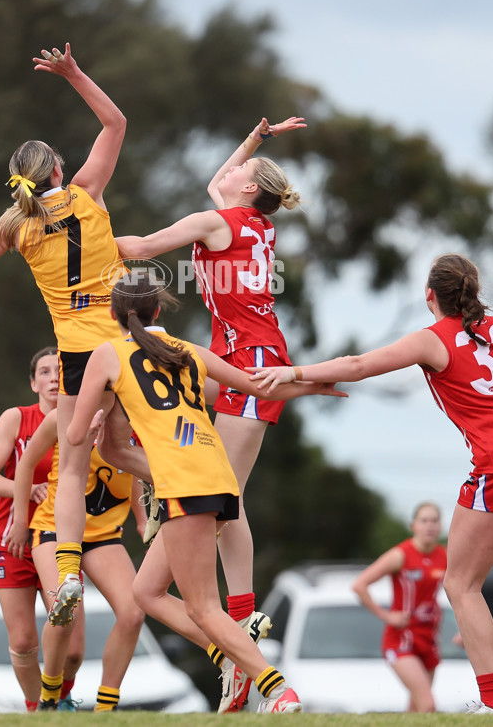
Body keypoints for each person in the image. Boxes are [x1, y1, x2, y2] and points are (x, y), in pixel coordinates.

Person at [65, 272, 346, 714]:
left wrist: (98, 420)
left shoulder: (108, 354)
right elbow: (256, 385)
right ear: (158, 310)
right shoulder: (188, 350)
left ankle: (275, 691)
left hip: (184, 481)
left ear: (113, 314)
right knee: (147, 592)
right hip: (216, 473)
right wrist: (313, 385)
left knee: (204, 608)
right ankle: (232, 659)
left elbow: (77, 434)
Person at [0, 42, 128, 621]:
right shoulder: (86, 193)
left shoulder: (16, 225)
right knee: (131, 437)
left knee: (74, 459)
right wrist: (73, 73)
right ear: (59, 170)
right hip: (125, 337)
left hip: (79, 352)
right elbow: (116, 122)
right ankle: (169, 490)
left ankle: (66, 570)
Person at [113, 115, 305, 711]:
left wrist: (80, 226)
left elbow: (139, 249)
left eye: (242, 170)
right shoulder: (256, 223)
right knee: (201, 480)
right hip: (243, 362)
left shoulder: (215, 221)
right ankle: (233, 641)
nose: (231, 171)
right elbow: (222, 178)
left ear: (247, 188)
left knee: (224, 492)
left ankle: (243, 622)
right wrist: (256, 141)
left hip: (249, 366)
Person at [249, 251, 493, 715]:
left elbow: (360, 366)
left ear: (429, 296)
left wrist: (296, 372)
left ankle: (492, 702)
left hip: (491, 468)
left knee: (462, 585)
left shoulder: (433, 339)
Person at [7, 408, 145, 712]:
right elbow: (26, 463)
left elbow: (133, 469)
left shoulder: (139, 412)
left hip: (104, 534)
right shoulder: (64, 415)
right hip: (54, 529)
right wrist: (19, 521)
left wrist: (141, 517)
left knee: (134, 612)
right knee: (64, 605)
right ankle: (49, 695)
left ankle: (106, 707)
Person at [0, 345, 81, 712]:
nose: (54, 378)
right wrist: (27, 492)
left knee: (75, 650)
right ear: (33, 382)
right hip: (13, 537)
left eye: (60, 371)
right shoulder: (16, 418)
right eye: (46, 372)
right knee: (22, 641)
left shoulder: (82, 420)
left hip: (59, 536)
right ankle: (39, 711)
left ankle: (61, 697)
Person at [351, 502, 447, 712]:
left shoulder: (444, 556)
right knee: (427, 704)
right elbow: (359, 585)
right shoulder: (401, 555)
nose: (429, 526)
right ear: (414, 525)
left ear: (440, 527)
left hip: (429, 637)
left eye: (434, 521)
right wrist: (386, 616)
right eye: (424, 520)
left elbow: (464, 589)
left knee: (415, 708)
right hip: (402, 638)